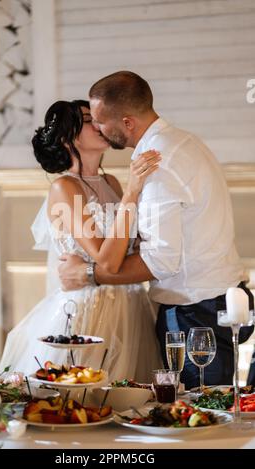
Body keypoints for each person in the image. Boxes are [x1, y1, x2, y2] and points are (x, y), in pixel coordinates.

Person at [58, 72, 254, 389]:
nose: (97, 128)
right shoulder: (184, 142)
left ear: (127, 122)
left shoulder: (157, 162)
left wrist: (89, 274)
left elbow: (161, 262)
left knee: (202, 420)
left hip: (195, 312)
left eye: (100, 121)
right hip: (216, 298)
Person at [0, 99, 162, 382]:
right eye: (89, 120)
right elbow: (104, 257)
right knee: (84, 392)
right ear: (66, 137)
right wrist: (133, 192)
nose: (99, 124)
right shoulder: (65, 187)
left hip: (130, 305)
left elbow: (128, 246)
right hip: (90, 309)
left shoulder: (111, 182)